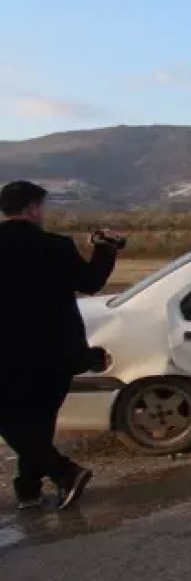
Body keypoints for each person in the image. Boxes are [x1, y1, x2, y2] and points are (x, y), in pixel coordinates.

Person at [0, 181, 119, 511]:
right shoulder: (56, 246)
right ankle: (28, 490)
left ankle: (64, 472)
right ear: (32, 208)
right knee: (38, 421)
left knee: (16, 423)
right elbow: (91, 282)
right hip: (57, 355)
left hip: (7, 354)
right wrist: (106, 249)